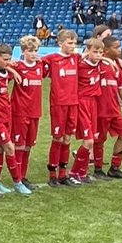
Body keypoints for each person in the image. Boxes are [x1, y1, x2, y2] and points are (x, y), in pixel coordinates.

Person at [41, 28, 80, 186]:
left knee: (67, 138)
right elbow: (35, 64)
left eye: (75, 43)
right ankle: (52, 174)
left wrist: (112, 61)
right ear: (60, 43)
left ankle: (63, 174)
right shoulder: (52, 58)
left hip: (73, 103)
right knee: (57, 138)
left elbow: (93, 56)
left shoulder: (76, 58)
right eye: (70, 43)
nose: (73, 46)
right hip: (58, 104)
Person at [0, 44, 26, 195]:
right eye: (4, 59)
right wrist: (11, 69)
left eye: (9, 59)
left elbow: (12, 67)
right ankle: (18, 182)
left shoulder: (7, 73)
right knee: (10, 147)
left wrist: (11, 69)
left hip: (6, 115)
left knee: (0, 147)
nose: (7, 62)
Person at [8, 36, 43, 193]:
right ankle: (18, 179)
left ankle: (23, 175)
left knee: (28, 146)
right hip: (19, 112)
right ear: (23, 52)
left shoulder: (40, 66)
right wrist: (10, 67)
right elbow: (1, 75)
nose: (34, 54)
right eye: (30, 51)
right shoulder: (17, 67)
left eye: (36, 51)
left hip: (35, 112)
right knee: (19, 145)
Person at [67, 38, 104, 185]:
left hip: (94, 103)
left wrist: (115, 62)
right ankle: (73, 172)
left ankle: (82, 173)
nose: (98, 55)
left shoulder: (100, 63)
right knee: (88, 141)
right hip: (82, 103)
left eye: (101, 52)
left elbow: (109, 61)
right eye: (95, 52)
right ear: (87, 51)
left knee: (91, 140)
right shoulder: (80, 65)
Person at [93, 36, 122, 179]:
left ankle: (114, 168)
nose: (119, 49)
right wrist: (104, 59)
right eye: (116, 47)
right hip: (100, 108)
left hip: (114, 108)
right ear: (106, 50)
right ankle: (98, 170)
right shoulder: (97, 63)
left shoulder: (120, 67)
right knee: (99, 140)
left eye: (120, 46)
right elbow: (85, 54)